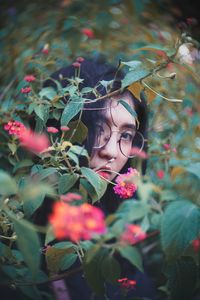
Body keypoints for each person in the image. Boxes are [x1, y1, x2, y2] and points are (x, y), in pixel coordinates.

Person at [39, 56, 155, 299]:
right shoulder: (17, 237)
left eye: (125, 135)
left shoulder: (119, 231)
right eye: (98, 128)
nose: (111, 151)